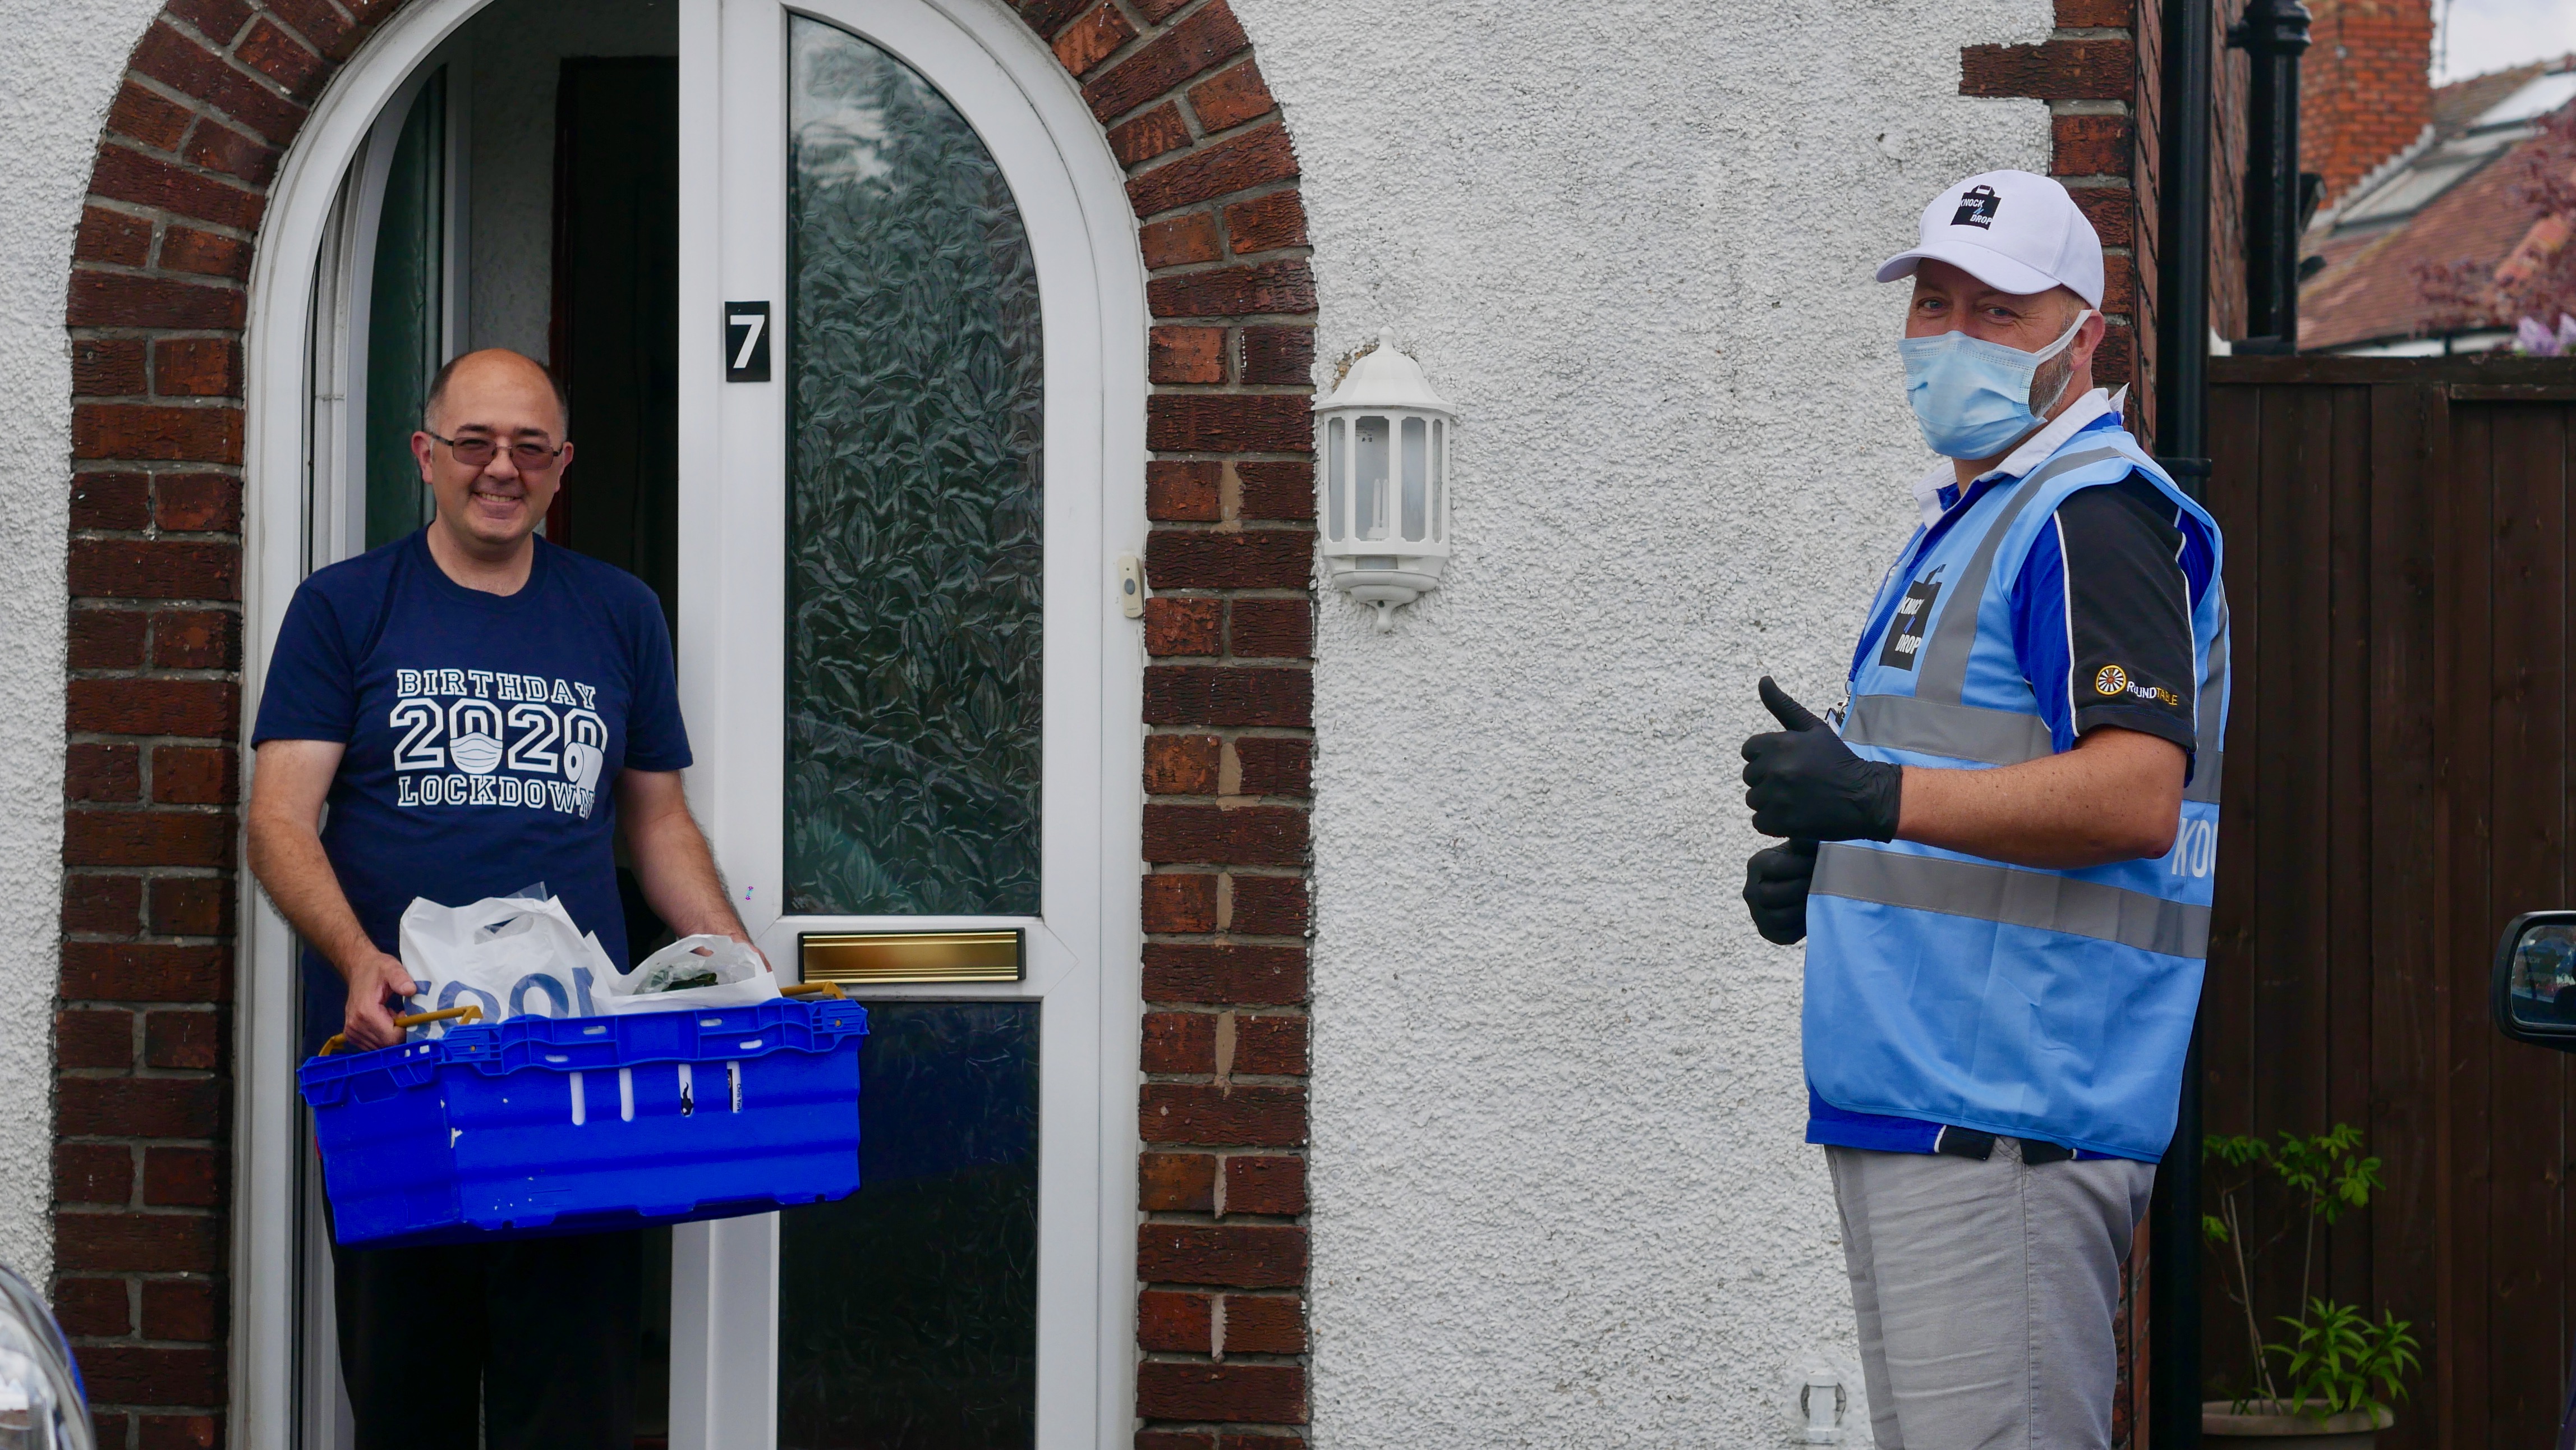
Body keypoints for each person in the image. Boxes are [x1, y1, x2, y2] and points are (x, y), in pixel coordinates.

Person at [1738, 171, 2229, 1448]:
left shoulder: (2089, 517)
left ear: (2086, 342)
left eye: (2000, 311)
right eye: (1935, 301)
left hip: (2005, 1111)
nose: (1953, 333)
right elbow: (1962, 792)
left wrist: (1874, 793)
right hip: (1927, 1100)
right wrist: (1833, 868)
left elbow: (2133, 790)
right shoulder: (1975, 518)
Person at [245, 348, 757, 1450]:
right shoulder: (344, 608)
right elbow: (280, 820)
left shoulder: (619, 613)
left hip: (576, 1079)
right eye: (475, 441)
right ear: (425, 454)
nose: (500, 468)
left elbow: (655, 821)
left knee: (570, 1401)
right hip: (400, 1064)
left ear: (561, 466)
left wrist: (734, 957)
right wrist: (354, 955)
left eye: (530, 446)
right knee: (409, 1395)